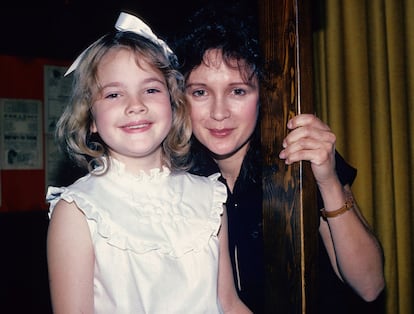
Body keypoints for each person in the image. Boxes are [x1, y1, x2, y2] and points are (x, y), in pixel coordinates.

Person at [173, 3, 385, 313]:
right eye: (201, 92)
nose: (219, 113)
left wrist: (327, 180)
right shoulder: (176, 176)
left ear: (263, 95)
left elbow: (370, 286)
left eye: (238, 91)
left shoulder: (297, 154)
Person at [46, 12, 251, 314]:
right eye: (114, 94)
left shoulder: (210, 198)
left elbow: (230, 304)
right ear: (90, 118)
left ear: (174, 102)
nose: (136, 105)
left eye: (151, 90)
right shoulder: (78, 211)